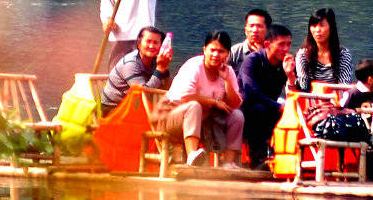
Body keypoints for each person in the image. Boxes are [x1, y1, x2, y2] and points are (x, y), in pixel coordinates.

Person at [165, 30, 244, 166]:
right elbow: (185, 96)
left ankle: (228, 163)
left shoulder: (228, 71)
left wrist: (226, 81)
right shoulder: (194, 66)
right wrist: (213, 102)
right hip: (175, 117)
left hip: (206, 120)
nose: (215, 55)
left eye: (221, 51)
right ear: (204, 50)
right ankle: (192, 156)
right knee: (194, 106)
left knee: (237, 116)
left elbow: (235, 103)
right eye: (212, 50)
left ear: (228, 54)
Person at [236, 22, 293, 167]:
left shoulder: (284, 64)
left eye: (288, 44)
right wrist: (277, 106)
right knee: (259, 110)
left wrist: (290, 75)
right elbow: (250, 92)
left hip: (269, 109)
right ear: (267, 44)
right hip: (246, 109)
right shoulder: (252, 61)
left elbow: (294, 93)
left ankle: (284, 159)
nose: (286, 49)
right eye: (281, 44)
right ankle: (257, 159)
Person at [101, 25, 173, 111]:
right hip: (113, 109)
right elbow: (142, 94)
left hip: (134, 107)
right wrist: (160, 69)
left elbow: (167, 88)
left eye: (155, 43)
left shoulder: (156, 61)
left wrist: (164, 68)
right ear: (139, 43)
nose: (151, 46)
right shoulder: (130, 63)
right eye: (148, 41)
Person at [293, 7, 355, 90]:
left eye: (322, 25)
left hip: (336, 100)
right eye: (314, 26)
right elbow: (303, 87)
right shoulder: (303, 54)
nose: (317, 30)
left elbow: (344, 87)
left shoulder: (343, 55)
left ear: (331, 27)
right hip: (310, 99)